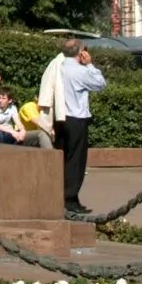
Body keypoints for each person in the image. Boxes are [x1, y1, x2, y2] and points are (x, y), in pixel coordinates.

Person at [36, 36, 106, 214]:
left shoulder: (58, 66)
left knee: (63, 157)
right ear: (81, 52)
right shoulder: (79, 71)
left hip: (60, 118)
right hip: (76, 119)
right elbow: (100, 84)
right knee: (76, 161)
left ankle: (67, 196)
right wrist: (89, 64)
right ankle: (70, 199)